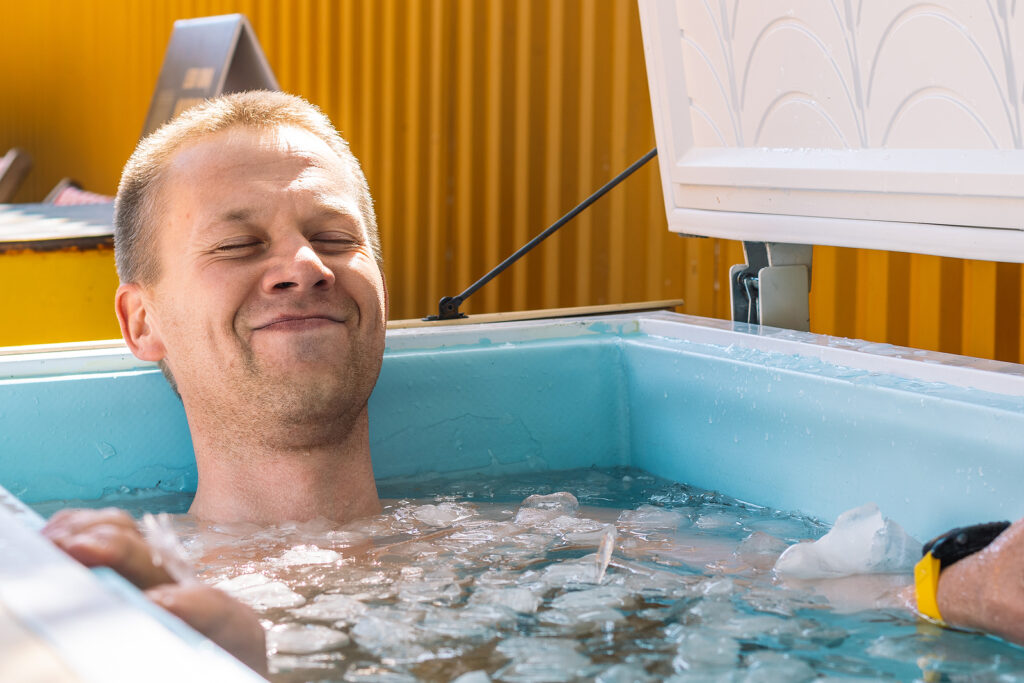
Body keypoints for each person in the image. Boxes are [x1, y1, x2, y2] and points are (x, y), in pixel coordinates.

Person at [43, 90, 391, 675]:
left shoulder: (559, 543)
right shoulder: (108, 593)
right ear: (143, 323)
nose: (307, 266)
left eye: (334, 238)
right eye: (236, 246)